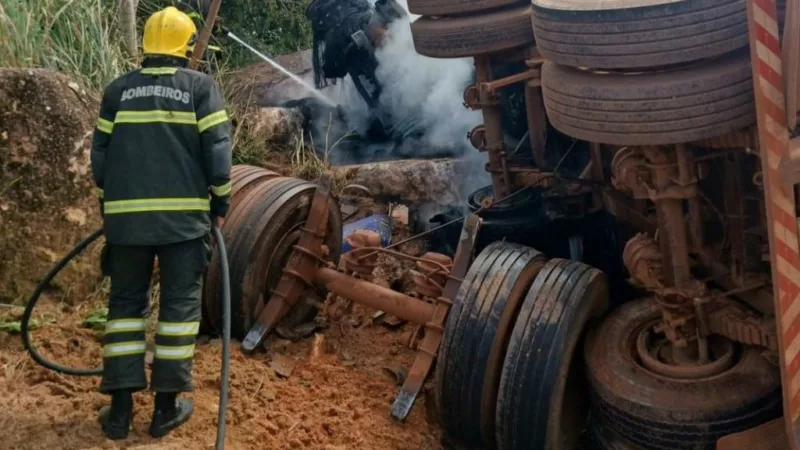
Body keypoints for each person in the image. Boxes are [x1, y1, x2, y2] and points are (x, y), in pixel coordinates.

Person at [90, 6, 232, 440]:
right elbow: (219, 155)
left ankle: (118, 413)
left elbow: (100, 160)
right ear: (187, 48)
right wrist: (220, 205)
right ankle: (165, 409)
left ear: (148, 47)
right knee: (177, 311)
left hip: (126, 226)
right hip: (183, 225)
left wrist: (110, 209)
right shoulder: (200, 89)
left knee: (125, 308)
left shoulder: (117, 91)